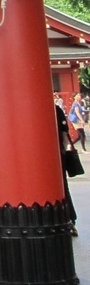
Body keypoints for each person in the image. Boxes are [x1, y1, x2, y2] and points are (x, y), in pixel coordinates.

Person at [56, 97, 78, 237]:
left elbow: (65, 136)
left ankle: (69, 220)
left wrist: (68, 152)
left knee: (63, 188)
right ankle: (70, 221)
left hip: (57, 155)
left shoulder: (56, 110)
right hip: (58, 154)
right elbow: (65, 136)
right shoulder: (56, 110)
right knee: (63, 187)